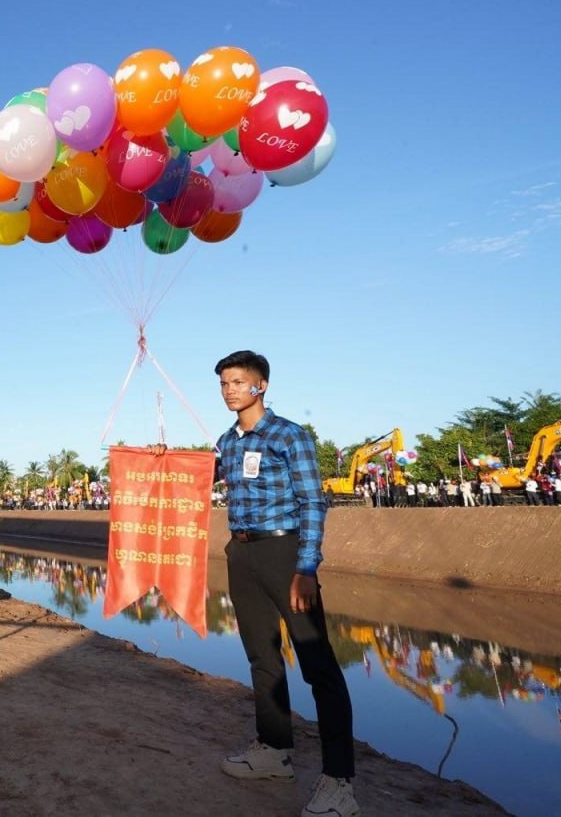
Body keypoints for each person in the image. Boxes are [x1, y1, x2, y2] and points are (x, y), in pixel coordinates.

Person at [207, 350, 357, 817]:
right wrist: (160, 458)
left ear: (261, 385)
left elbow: (313, 502)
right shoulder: (226, 443)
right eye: (224, 383)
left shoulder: (289, 435)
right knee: (262, 656)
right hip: (242, 551)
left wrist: (306, 567)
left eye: (237, 382)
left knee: (318, 665)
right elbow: (192, 480)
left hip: (284, 552)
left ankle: (340, 784)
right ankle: (274, 752)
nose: (229, 389)